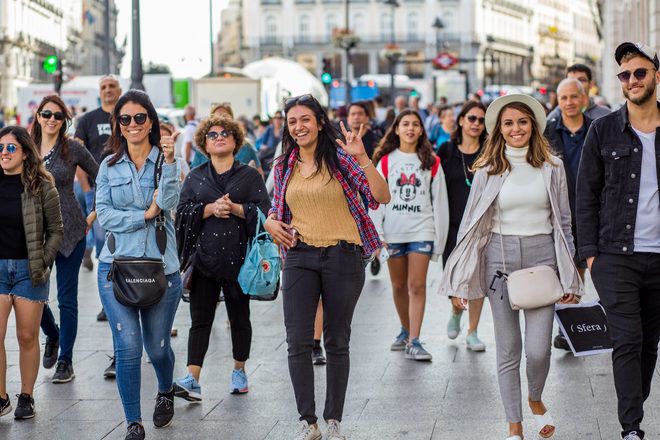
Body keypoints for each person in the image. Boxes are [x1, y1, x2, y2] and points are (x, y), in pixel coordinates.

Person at [440, 94, 581, 440]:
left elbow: (564, 222)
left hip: (542, 258)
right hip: (499, 260)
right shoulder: (488, 169)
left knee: (538, 350)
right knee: (508, 349)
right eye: (508, 123)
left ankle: (534, 398)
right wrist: (459, 280)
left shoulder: (553, 166)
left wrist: (571, 276)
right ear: (499, 130)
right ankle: (514, 425)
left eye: (522, 121)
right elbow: (470, 224)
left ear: (533, 125)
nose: (515, 129)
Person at [265, 94, 390, 440]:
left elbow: (381, 196)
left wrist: (363, 157)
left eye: (305, 119)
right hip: (300, 255)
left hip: (343, 256)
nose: (299, 126)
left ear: (320, 122)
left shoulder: (341, 160)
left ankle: (333, 418)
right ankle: (308, 421)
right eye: (292, 121)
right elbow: (277, 209)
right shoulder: (284, 165)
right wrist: (270, 222)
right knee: (297, 341)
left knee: (337, 340)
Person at [576, 42, 660, 440]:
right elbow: (586, 195)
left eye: (639, 73)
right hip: (615, 255)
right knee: (627, 339)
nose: (632, 81)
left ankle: (633, 405)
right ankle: (632, 428)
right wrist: (591, 255)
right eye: (625, 75)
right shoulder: (603, 129)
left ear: (656, 76)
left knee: (648, 343)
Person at [95, 90, 182, 440]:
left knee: (157, 346)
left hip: (162, 266)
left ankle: (165, 389)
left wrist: (173, 162)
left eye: (140, 118)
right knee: (128, 346)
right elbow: (104, 215)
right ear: (118, 124)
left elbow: (171, 200)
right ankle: (134, 421)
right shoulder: (108, 165)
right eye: (125, 119)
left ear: (151, 122)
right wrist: (144, 214)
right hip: (116, 267)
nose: (133, 124)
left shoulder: (167, 160)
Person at [173, 115, 269, 401]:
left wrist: (237, 209)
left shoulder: (250, 176)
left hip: (240, 261)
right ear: (204, 142)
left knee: (240, 317)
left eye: (225, 133)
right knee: (200, 319)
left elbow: (265, 212)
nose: (219, 137)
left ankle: (239, 370)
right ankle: (193, 377)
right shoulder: (196, 176)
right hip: (204, 260)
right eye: (212, 134)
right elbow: (183, 213)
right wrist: (210, 209)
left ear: (236, 140)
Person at [370, 109, 449, 361]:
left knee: (417, 285)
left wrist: (440, 241)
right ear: (396, 129)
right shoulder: (384, 161)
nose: (410, 128)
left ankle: (415, 340)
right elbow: (376, 201)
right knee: (398, 285)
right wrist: (377, 234)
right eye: (405, 124)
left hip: (422, 230)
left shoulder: (432, 162)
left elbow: (440, 203)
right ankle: (405, 329)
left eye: (416, 124)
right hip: (393, 232)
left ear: (422, 130)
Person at [30, 95, 99, 383]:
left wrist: (92, 216)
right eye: (47, 114)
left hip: (70, 231)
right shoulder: (26, 147)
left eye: (58, 116)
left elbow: (103, 178)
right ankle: (53, 334)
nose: (52, 120)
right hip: (33, 233)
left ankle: (65, 361)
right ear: (38, 116)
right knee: (32, 297)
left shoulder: (73, 149)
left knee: (67, 299)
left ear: (64, 121)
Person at [0, 126, 63, 420]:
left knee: (26, 336)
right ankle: (1, 398)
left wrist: (43, 261)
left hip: (30, 270)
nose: (4, 153)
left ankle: (26, 395)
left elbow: (56, 230)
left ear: (25, 153)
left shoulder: (42, 186)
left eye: (11, 148)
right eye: (0, 148)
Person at [544, 78, 593, 350]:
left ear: (583, 99)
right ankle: (566, 327)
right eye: (564, 98)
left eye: (574, 97)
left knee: (580, 266)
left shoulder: (596, 129)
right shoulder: (549, 132)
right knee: (561, 266)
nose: (569, 102)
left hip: (589, 207)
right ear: (558, 101)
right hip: (558, 208)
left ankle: (571, 325)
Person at [439, 101, 489, 351]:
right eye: (472, 118)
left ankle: (473, 331)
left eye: (481, 120)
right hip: (452, 225)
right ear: (461, 120)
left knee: (477, 278)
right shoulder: (446, 151)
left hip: (480, 225)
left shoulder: (490, 151)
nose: (476, 124)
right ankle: (456, 310)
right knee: (456, 277)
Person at [74, 75, 121, 341]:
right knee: (105, 248)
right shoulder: (88, 120)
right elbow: (78, 158)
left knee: (117, 248)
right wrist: (88, 190)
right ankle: (108, 302)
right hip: (98, 192)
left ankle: (123, 296)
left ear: (119, 90)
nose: (107, 90)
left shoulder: (127, 116)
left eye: (111, 86)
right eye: (103, 87)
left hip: (125, 193)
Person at [547, 64, 611, 122]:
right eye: (571, 81)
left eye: (581, 80)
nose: (576, 84)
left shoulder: (604, 114)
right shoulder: (555, 116)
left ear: (591, 84)